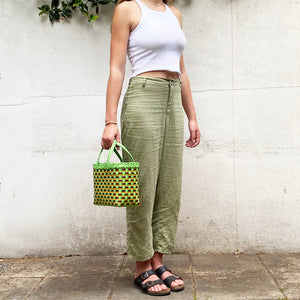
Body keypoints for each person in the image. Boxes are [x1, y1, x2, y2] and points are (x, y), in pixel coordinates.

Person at [101, 0, 200, 296]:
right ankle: (141, 265)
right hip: (143, 96)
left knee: (169, 185)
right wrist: (110, 120)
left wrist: (192, 116)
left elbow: (181, 71)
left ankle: (158, 261)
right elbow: (117, 68)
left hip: (172, 99)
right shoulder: (129, 9)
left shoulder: (175, 14)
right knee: (143, 186)